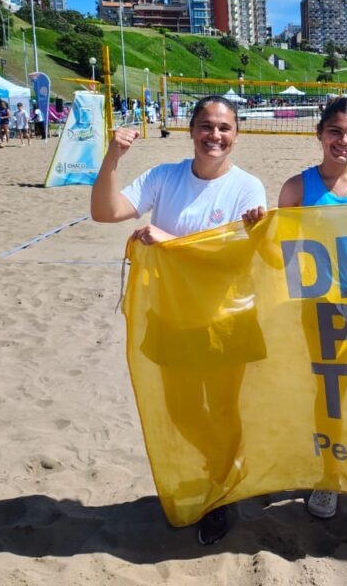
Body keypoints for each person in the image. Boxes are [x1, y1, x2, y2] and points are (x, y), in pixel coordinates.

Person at [91, 95, 266, 546]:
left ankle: (222, 492)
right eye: (206, 126)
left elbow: (231, 260)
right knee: (182, 411)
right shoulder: (165, 176)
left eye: (224, 128)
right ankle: (225, 467)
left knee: (222, 411)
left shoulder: (248, 189)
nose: (215, 135)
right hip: (171, 316)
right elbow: (105, 212)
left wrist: (167, 241)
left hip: (225, 319)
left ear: (236, 135)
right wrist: (113, 157)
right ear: (191, 131)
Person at [243, 97, 347, 521]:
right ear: (319, 133)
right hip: (323, 308)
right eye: (335, 131)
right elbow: (279, 257)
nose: (344, 141)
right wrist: (257, 232)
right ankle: (329, 476)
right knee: (331, 395)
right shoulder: (297, 188)